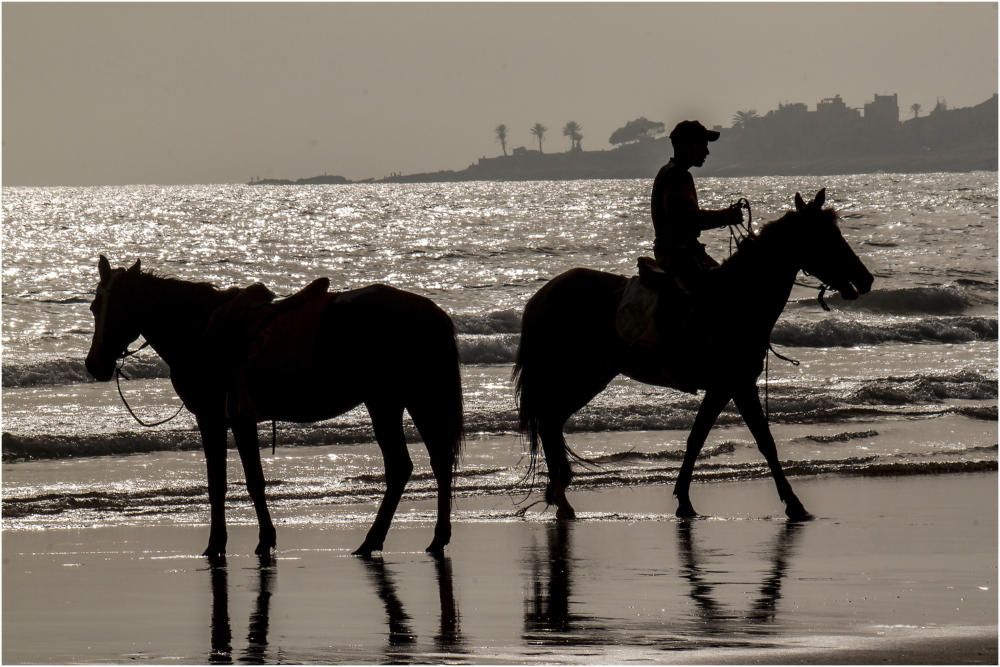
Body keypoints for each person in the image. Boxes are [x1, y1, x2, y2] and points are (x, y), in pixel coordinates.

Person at [651, 120, 743, 292]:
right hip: (678, 257)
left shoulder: (672, 172)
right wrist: (727, 216)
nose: (707, 151)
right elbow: (686, 220)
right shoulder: (677, 176)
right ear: (689, 146)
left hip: (682, 253)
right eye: (703, 145)